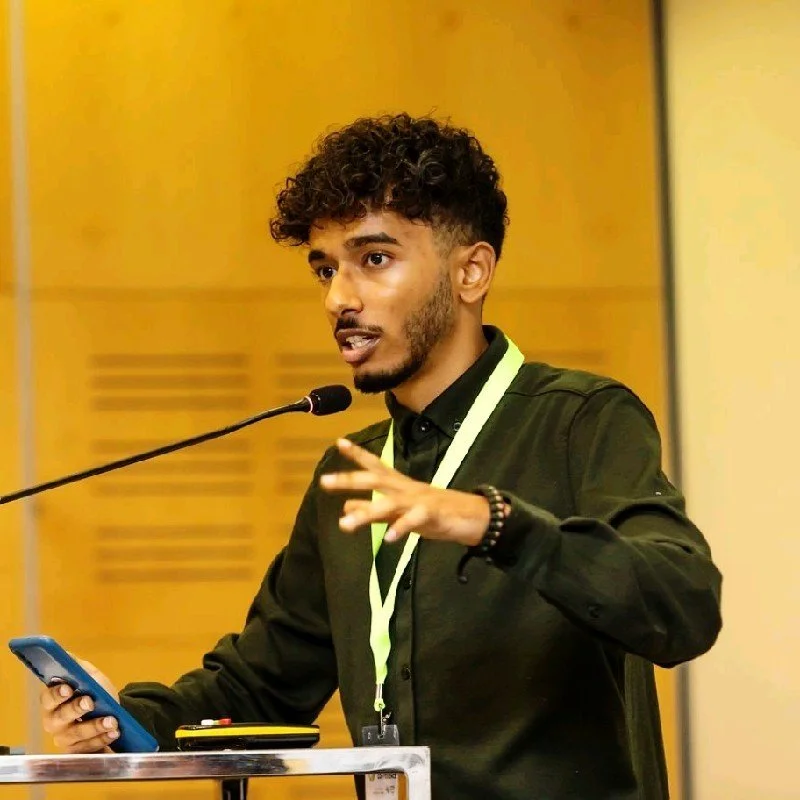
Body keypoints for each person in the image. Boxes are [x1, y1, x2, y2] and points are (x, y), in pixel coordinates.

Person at [39, 114, 722, 799]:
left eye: (374, 259)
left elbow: (682, 606)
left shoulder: (581, 420)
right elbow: (261, 685)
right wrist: (121, 719)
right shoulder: (353, 473)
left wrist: (496, 524)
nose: (339, 298)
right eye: (325, 269)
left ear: (471, 271)